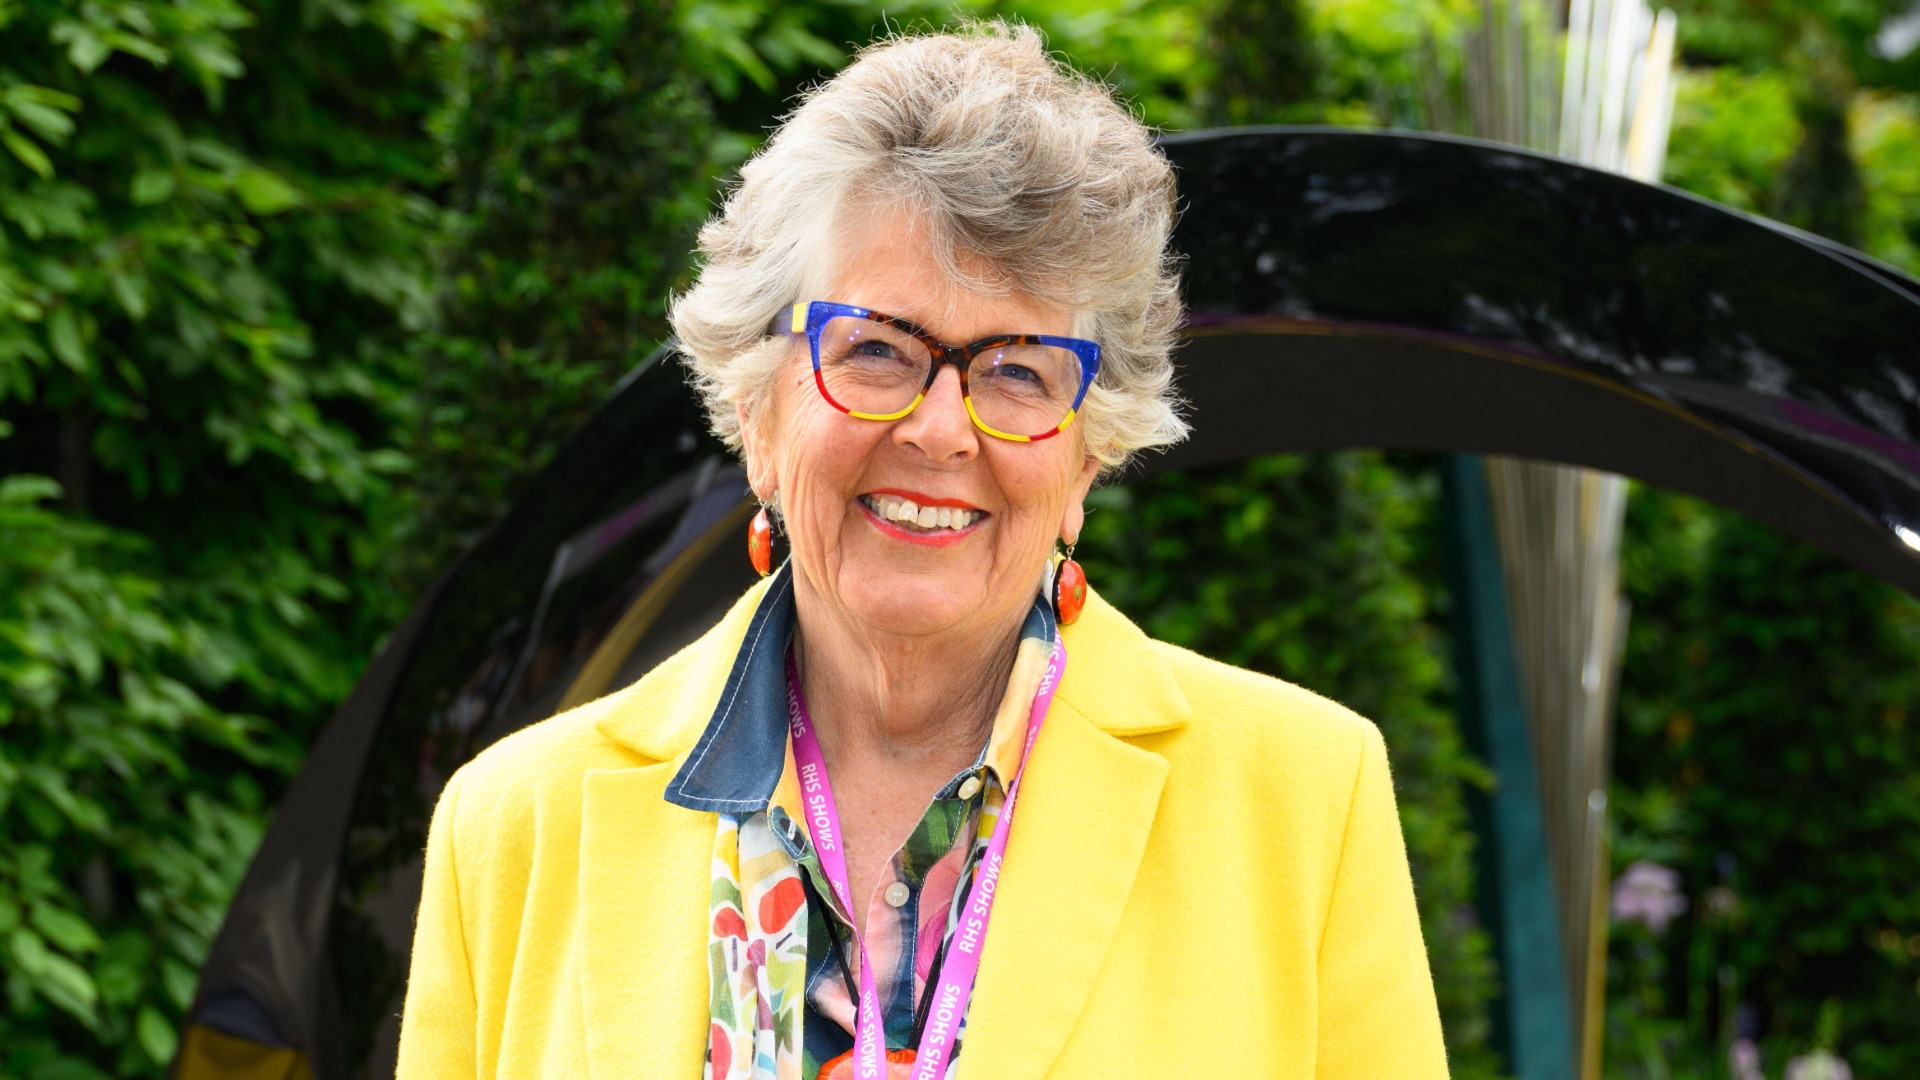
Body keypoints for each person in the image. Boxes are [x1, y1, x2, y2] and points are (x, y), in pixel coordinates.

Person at [396, 23, 1449, 1080]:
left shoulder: (1303, 800)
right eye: (877, 349)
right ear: (760, 410)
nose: (941, 429)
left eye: (1019, 372)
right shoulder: (512, 828)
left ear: (1091, 456)